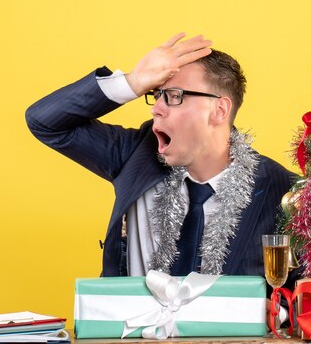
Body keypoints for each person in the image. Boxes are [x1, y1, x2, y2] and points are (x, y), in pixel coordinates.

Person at [26, 33, 295, 278]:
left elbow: (304, 297)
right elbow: (45, 122)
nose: (156, 109)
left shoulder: (286, 193)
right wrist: (133, 82)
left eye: (174, 96)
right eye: (155, 95)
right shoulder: (135, 155)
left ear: (219, 110)